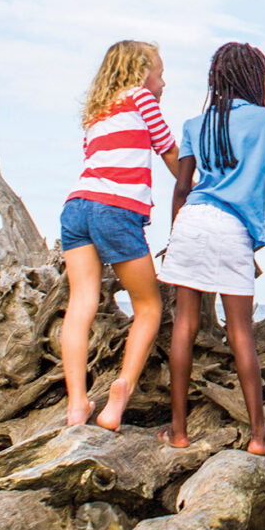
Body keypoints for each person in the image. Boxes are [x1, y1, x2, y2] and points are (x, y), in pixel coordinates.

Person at [159, 41, 265, 454]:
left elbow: (182, 188)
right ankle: (258, 438)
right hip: (232, 228)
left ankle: (179, 432)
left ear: (216, 79)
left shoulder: (194, 124)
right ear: (255, 78)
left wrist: (174, 238)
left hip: (191, 223)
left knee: (183, 326)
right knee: (240, 331)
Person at [59, 40, 178, 431]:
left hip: (77, 206)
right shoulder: (143, 99)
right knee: (148, 306)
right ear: (141, 72)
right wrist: (195, 192)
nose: (163, 82)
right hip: (116, 209)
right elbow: (170, 153)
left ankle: (76, 403)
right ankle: (120, 393)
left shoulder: (96, 113)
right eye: (159, 73)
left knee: (80, 305)